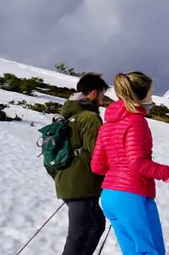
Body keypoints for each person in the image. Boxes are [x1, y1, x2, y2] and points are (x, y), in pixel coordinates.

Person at [91, 72, 169, 255]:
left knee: (132, 251)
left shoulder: (107, 125)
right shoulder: (136, 122)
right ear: (140, 95)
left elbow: (97, 166)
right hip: (132, 196)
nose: (152, 98)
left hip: (109, 196)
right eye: (150, 93)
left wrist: (117, 169)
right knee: (150, 251)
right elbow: (137, 162)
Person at [45, 73, 109, 255]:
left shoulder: (65, 115)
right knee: (80, 234)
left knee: (95, 225)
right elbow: (98, 152)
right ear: (93, 93)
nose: (102, 101)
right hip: (82, 184)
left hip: (66, 180)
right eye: (102, 96)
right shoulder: (89, 117)